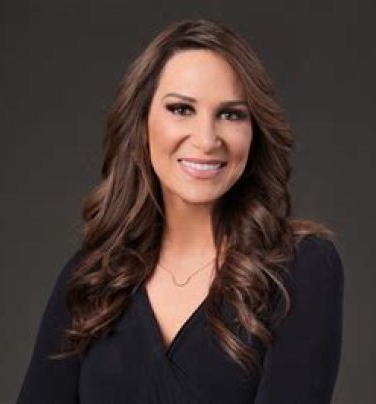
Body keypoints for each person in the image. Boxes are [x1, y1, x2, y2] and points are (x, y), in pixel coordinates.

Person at [18, 18, 344, 404]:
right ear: (141, 123)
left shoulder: (301, 268)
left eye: (230, 114)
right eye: (181, 109)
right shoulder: (91, 278)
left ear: (254, 131)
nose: (206, 140)